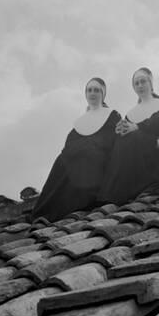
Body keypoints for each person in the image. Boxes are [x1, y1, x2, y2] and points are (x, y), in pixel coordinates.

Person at [31, 78, 121, 222]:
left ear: (103, 94)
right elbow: (70, 143)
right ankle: (49, 209)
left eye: (96, 90)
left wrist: (88, 145)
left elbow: (110, 138)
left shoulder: (112, 115)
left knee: (89, 156)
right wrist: (81, 146)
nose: (92, 93)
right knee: (61, 161)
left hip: (100, 157)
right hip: (80, 154)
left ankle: (82, 202)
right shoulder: (81, 120)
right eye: (89, 90)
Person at [98, 68, 159, 205]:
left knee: (134, 138)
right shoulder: (131, 113)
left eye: (143, 81)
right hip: (134, 157)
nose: (140, 85)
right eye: (136, 83)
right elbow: (126, 131)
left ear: (150, 83)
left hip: (155, 149)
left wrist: (137, 127)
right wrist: (121, 130)